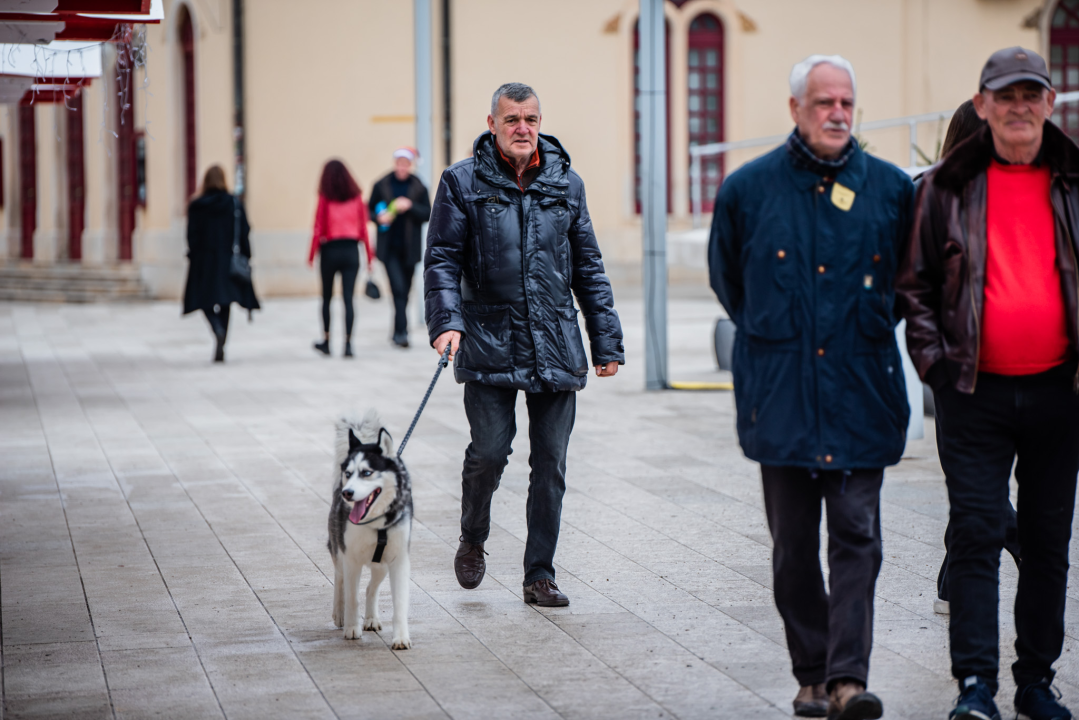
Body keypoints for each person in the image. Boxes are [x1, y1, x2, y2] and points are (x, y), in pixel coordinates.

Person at [708, 56, 913, 720]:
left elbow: (907, 286)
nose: (837, 113)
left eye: (847, 103)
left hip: (861, 390)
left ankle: (847, 679)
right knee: (792, 545)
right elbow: (728, 283)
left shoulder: (889, 189)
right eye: (823, 101)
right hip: (782, 395)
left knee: (856, 535)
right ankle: (811, 669)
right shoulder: (747, 189)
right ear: (794, 108)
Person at [898, 47, 1079, 720]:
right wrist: (935, 367)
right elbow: (912, 284)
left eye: (1030, 94)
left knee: (1046, 543)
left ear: (1049, 103)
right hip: (971, 393)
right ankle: (974, 686)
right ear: (981, 106)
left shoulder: (1072, 182)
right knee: (975, 532)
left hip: (1061, 396)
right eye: (1004, 96)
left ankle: (1035, 680)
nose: (1018, 107)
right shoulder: (940, 188)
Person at [424, 82, 624, 607]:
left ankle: (540, 573)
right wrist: (447, 321)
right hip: (489, 336)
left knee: (551, 463)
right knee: (489, 453)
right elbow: (442, 258)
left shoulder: (566, 183)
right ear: (491, 124)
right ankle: (473, 536)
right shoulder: (461, 182)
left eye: (531, 119)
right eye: (512, 119)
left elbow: (589, 267)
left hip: (555, 338)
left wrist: (606, 341)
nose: (522, 128)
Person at [924, 101, 1021, 617]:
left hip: (1022, 367)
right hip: (960, 371)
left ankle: (949, 582)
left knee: (976, 481)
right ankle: (1027, 545)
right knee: (977, 482)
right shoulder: (937, 201)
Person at [182, 165, 260, 363]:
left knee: (203, 300)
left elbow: (191, 235)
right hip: (227, 261)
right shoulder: (234, 203)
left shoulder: (197, 205)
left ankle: (216, 327)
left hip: (204, 262)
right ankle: (222, 338)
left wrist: (194, 253)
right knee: (225, 302)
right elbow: (244, 231)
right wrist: (247, 256)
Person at [308, 160, 373, 358]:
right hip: (352, 250)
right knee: (348, 299)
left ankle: (327, 341)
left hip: (330, 250)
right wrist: (369, 257)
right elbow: (363, 230)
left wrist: (312, 254)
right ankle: (348, 343)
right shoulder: (356, 198)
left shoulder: (325, 198)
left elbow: (318, 227)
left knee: (327, 298)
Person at [369, 148, 432, 348]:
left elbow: (427, 213)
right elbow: (369, 210)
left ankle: (397, 330)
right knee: (397, 288)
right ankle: (402, 333)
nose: (402, 167)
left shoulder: (418, 186)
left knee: (405, 291)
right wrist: (379, 218)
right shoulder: (382, 184)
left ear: (410, 165)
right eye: (399, 163)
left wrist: (409, 206)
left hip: (410, 248)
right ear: (395, 163)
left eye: (406, 163)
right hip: (389, 248)